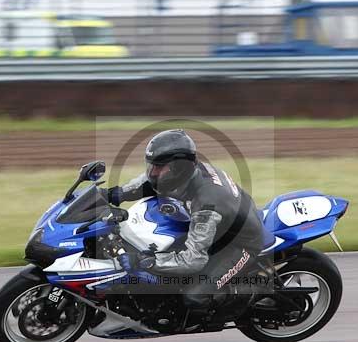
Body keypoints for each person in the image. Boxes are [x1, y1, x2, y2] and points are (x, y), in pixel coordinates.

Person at [105, 129, 266, 312]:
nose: (153, 172)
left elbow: (194, 259)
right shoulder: (188, 172)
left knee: (194, 296)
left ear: (179, 168)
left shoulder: (207, 204)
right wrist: (113, 194)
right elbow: (148, 182)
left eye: (159, 167)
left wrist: (147, 262)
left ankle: (253, 295)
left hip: (241, 243)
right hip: (222, 225)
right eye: (152, 165)